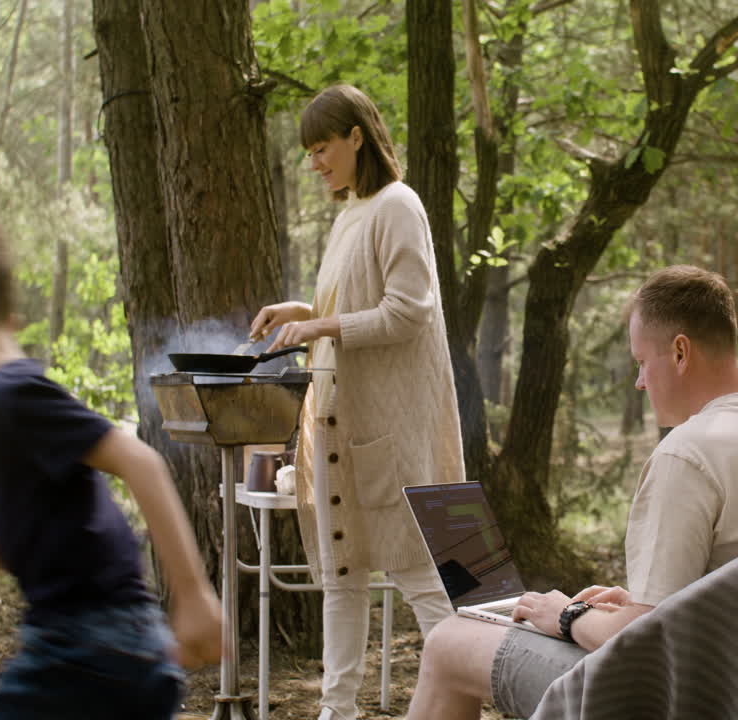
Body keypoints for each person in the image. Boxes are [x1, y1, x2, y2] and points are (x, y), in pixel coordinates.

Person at [405, 265, 738, 720]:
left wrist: (565, 616)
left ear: (681, 351)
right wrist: (631, 603)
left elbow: (647, 639)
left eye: (642, 362)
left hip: (689, 697)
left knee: (449, 640)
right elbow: (726, 591)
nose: (640, 382)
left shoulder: (686, 454)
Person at [0, 209, 222, 719]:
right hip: (109, 650)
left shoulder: (8, 394)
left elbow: (141, 460)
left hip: (90, 648)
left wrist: (195, 595)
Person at [249, 83, 463, 720]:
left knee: (420, 570)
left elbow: (408, 312)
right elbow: (353, 306)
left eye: (322, 148)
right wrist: (303, 312)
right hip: (344, 420)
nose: (314, 162)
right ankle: (335, 711)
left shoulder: (399, 205)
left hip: (393, 424)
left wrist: (319, 328)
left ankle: (463, 701)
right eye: (309, 152)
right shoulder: (350, 212)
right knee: (341, 576)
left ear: (356, 138)